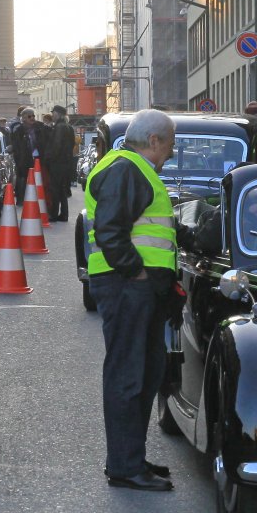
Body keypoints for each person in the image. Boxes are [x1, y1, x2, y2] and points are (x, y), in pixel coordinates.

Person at [86, 109, 185, 492]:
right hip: (127, 287)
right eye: (170, 144)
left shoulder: (131, 168)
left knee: (144, 374)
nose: (170, 153)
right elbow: (110, 231)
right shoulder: (127, 169)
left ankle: (129, 458)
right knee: (129, 375)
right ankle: (125, 467)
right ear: (154, 140)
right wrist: (137, 273)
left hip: (134, 288)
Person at [8, 106, 51, 214]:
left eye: (33, 116)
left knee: (39, 179)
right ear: (23, 118)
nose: (32, 118)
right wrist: (18, 158)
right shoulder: (18, 130)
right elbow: (16, 146)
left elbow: (48, 138)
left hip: (38, 158)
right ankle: (21, 199)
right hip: (24, 159)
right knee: (22, 179)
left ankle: (39, 200)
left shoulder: (40, 127)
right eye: (29, 116)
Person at [44, 105, 76, 221]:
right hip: (66, 162)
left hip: (57, 163)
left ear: (58, 114)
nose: (52, 115)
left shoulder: (59, 127)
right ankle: (64, 214)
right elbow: (72, 144)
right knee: (62, 189)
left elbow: (56, 145)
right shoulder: (69, 127)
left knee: (55, 189)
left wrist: (50, 158)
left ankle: (53, 214)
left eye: (53, 113)